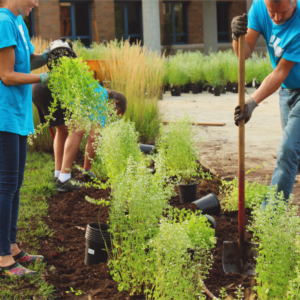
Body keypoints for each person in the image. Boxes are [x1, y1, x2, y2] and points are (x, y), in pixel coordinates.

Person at [232, 0, 300, 206]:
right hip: (287, 91)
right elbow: (243, 53)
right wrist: (237, 36)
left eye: (283, 12)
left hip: (289, 82)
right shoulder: (260, 8)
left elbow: (280, 71)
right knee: (296, 158)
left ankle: (268, 216)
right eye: (272, 13)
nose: (277, 18)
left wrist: (252, 102)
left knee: (288, 151)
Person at [0, 0, 50, 277]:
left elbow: (26, 61)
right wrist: (43, 78)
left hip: (18, 114)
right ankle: (3, 257)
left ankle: (12, 246)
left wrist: (51, 55)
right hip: (4, 114)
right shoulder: (3, 22)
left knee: (16, 183)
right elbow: (6, 75)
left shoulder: (19, 21)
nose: (37, 2)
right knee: (6, 185)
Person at [32, 65, 127, 193]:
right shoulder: (100, 97)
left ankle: (58, 174)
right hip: (50, 88)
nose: (110, 116)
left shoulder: (94, 89)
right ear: (114, 103)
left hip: (38, 87)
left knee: (63, 130)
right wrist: (87, 169)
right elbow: (93, 138)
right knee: (78, 128)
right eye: (114, 113)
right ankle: (64, 180)